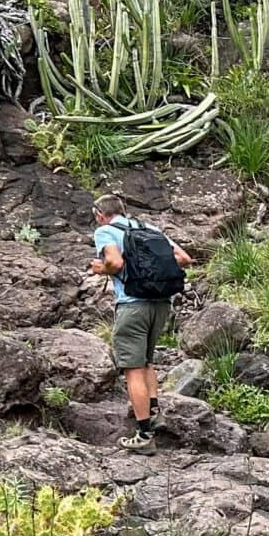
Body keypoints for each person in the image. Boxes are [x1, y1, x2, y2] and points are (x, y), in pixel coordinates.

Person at [89, 193, 193, 452]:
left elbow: (114, 261)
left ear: (100, 215)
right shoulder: (150, 228)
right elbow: (183, 258)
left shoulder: (105, 231)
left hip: (132, 305)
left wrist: (103, 269)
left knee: (132, 368)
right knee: (146, 361)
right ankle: (154, 411)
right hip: (161, 304)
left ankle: (144, 435)